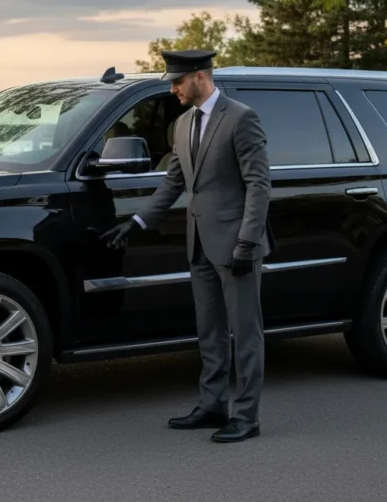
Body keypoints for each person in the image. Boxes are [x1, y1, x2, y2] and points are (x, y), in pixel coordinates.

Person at [100, 50, 273, 443]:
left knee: (245, 334)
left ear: (199, 77)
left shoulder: (241, 118)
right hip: (199, 244)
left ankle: (247, 417)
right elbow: (173, 183)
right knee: (209, 332)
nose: (173, 89)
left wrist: (247, 241)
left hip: (236, 246)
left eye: (177, 81)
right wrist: (137, 222)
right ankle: (213, 405)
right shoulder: (181, 125)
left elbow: (259, 185)